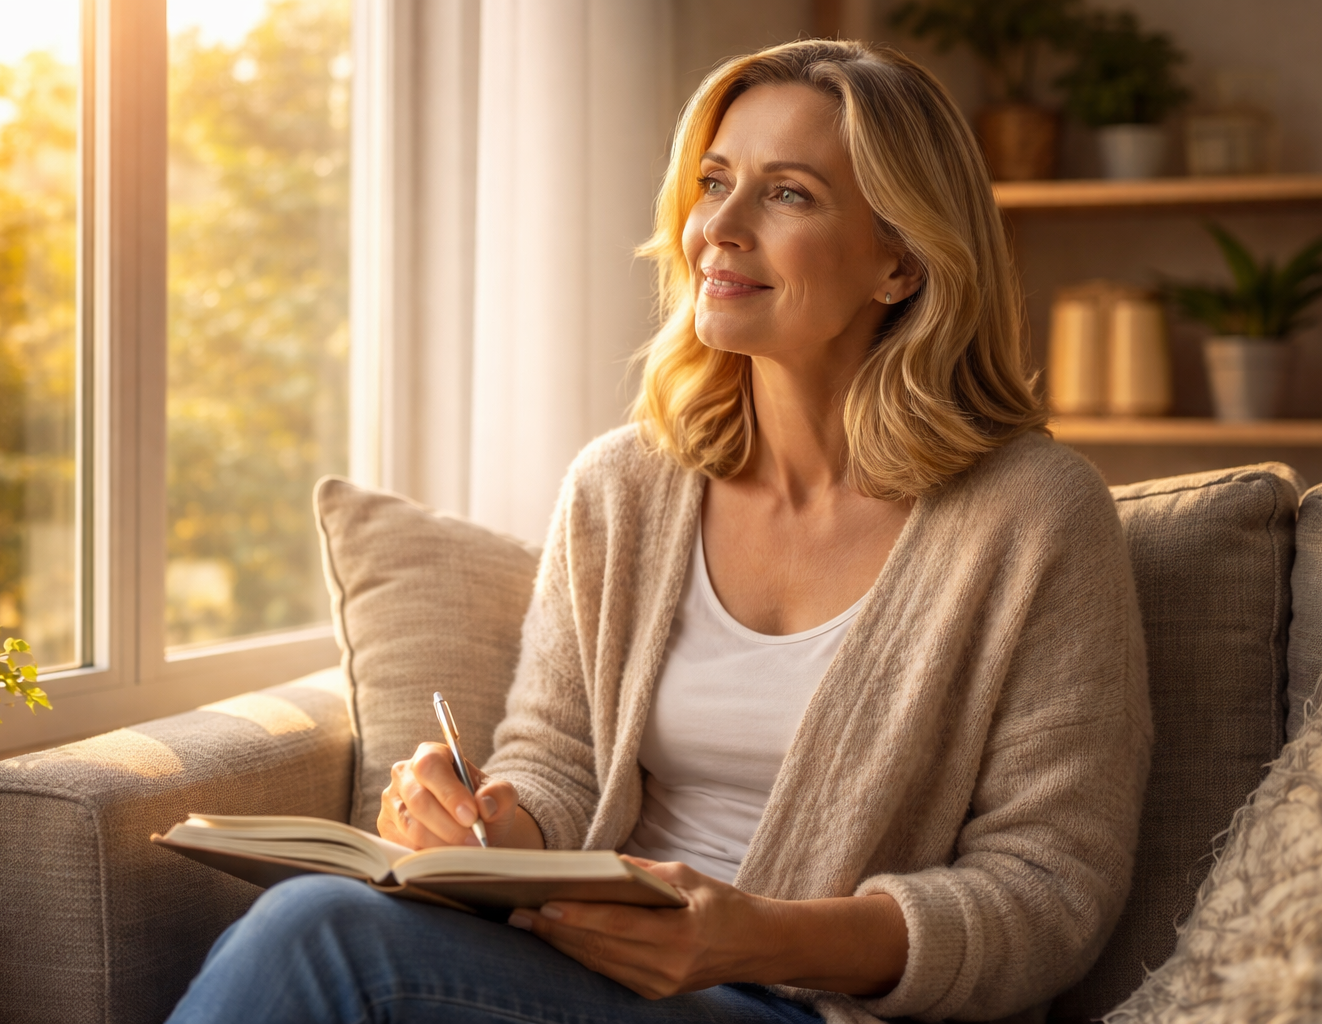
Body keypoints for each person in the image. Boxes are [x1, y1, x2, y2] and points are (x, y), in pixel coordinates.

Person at [167, 38, 1151, 1024]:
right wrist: (484, 821)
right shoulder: (621, 488)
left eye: (789, 194)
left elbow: (1050, 891)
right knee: (327, 914)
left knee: (322, 939)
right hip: (592, 979)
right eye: (714, 182)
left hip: (821, 1007)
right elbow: (556, 764)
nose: (717, 226)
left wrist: (760, 933)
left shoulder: (1033, 516)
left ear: (899, 261)